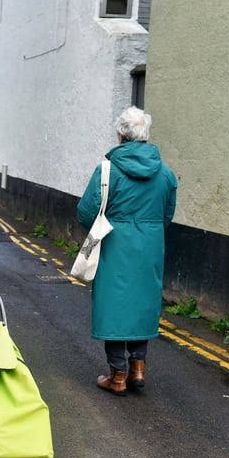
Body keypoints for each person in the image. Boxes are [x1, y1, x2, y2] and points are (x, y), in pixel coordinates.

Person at [78, 106, 177, 396]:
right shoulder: (166, 174)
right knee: (142, 305)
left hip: (115, 244)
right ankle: (138, 367)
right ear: (145, 135)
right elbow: (167, 215)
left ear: (120, 134)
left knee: (114, 305)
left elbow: (86, 212)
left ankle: (117, 375)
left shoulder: (107, 170)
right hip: (150, 247)